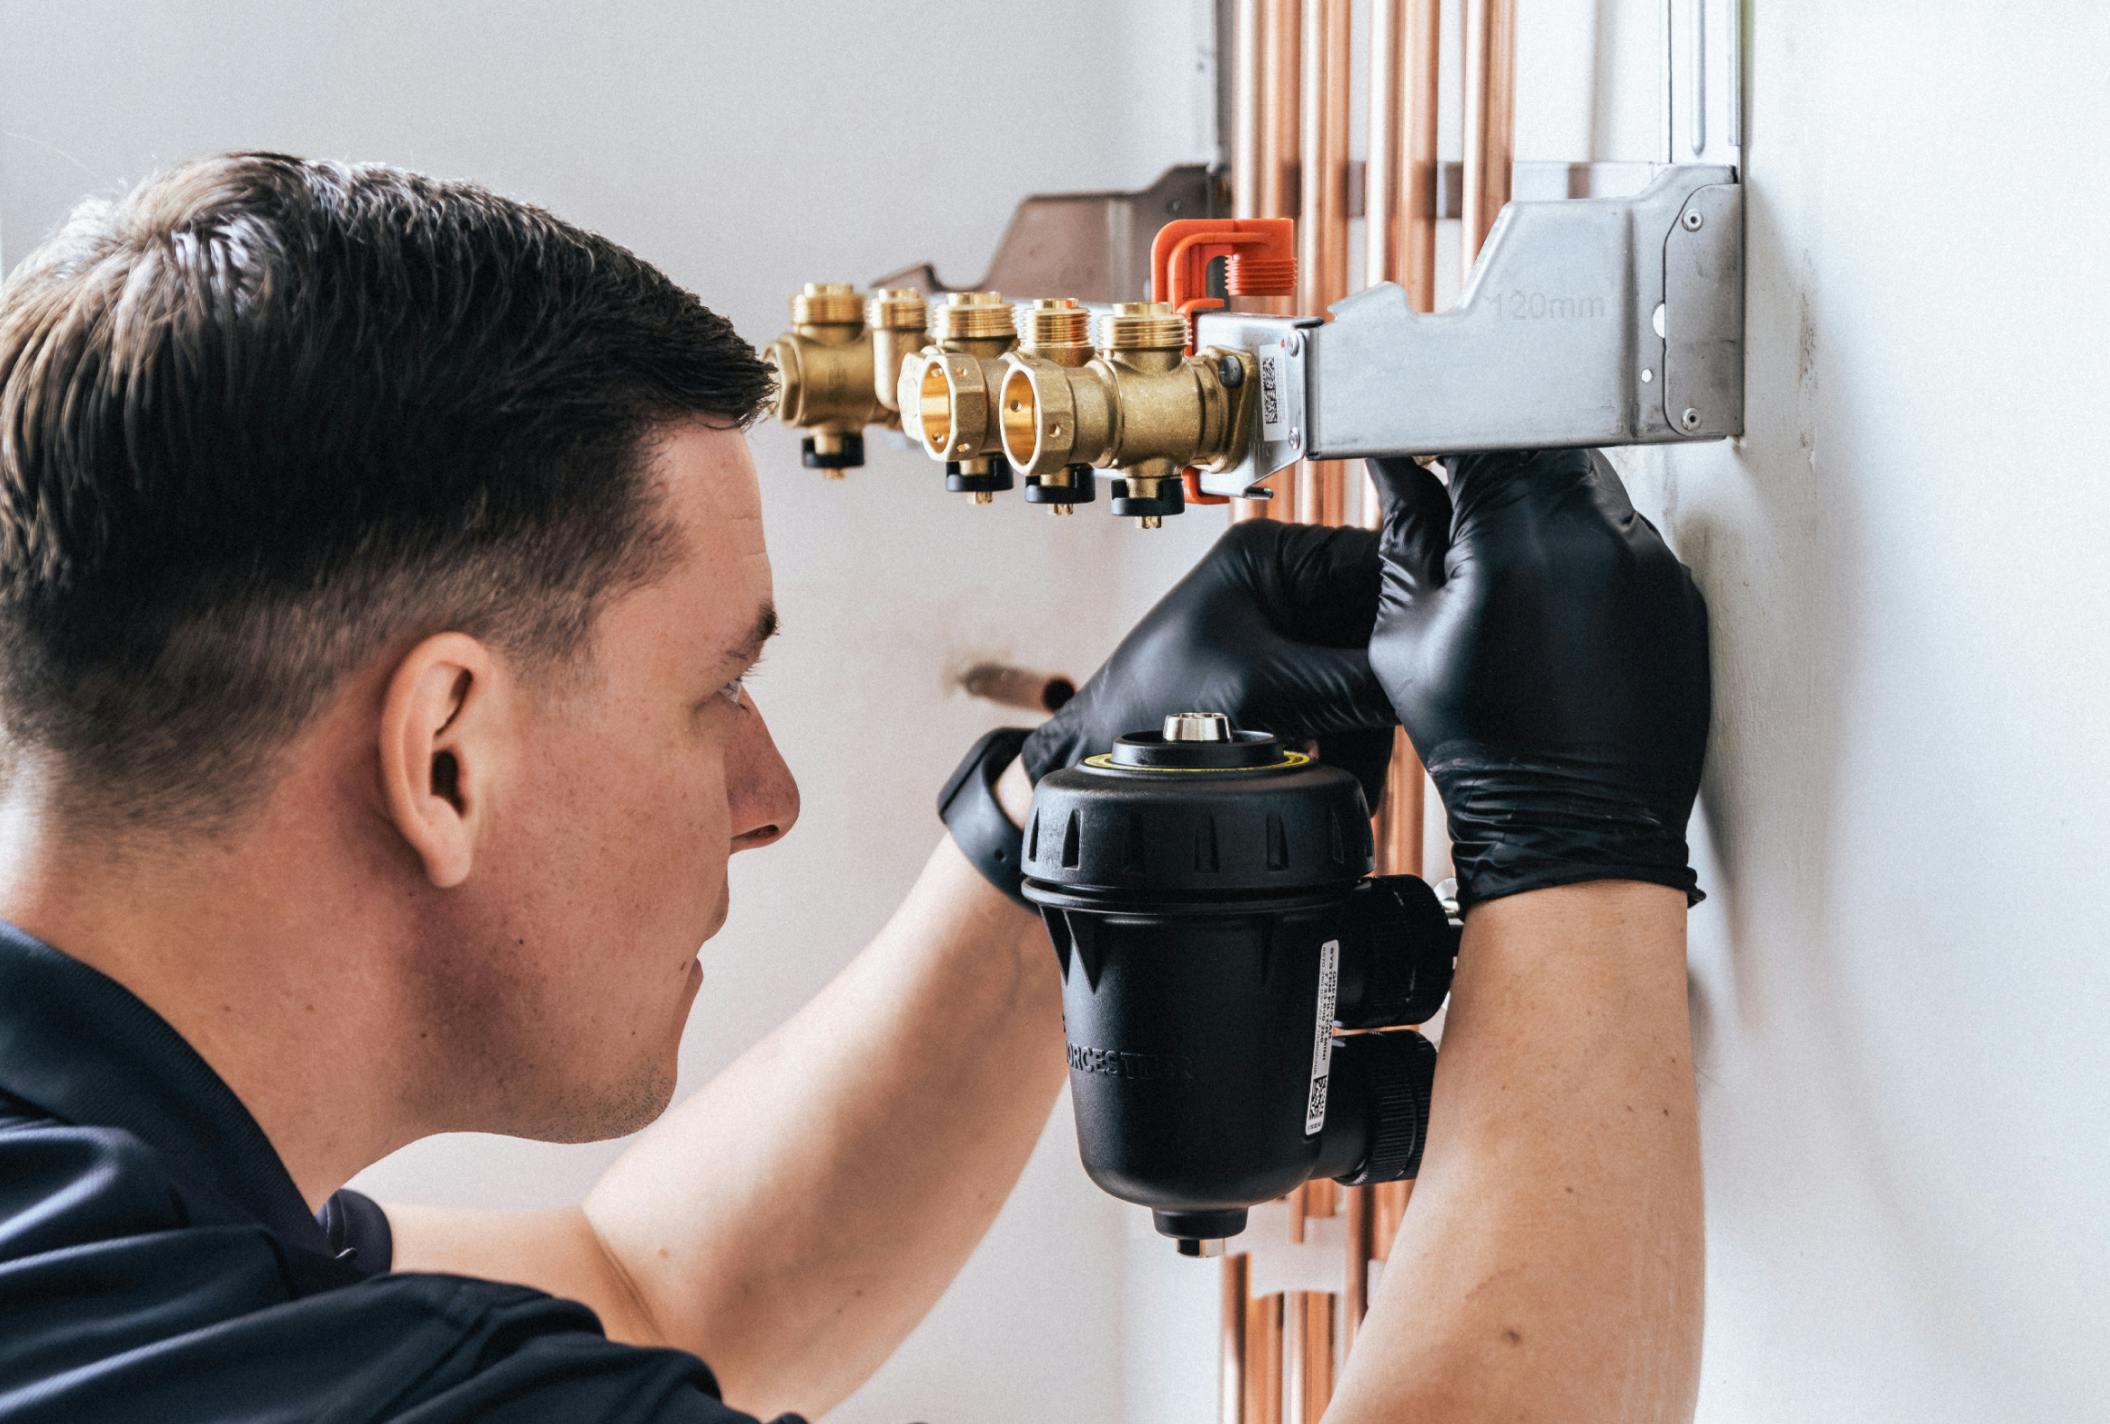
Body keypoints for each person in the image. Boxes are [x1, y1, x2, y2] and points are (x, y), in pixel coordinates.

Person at [0, 153, 1709, 1424]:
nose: (769, 796)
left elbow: (651, 1297)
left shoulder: (88, 1220)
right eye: (716, 693)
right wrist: (1569, 845)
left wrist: (1058, 816)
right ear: (446, 754)